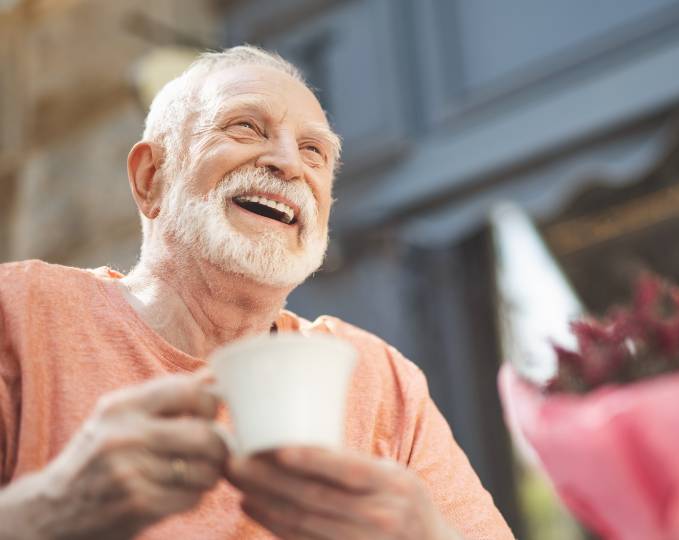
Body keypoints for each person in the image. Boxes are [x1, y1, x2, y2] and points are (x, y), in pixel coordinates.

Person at [0, 46, 514, 539]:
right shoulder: (20, 310)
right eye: (245, 127)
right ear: (151, 177)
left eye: (315, 151)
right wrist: (55, 507)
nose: (289, 163)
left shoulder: (380, 380)